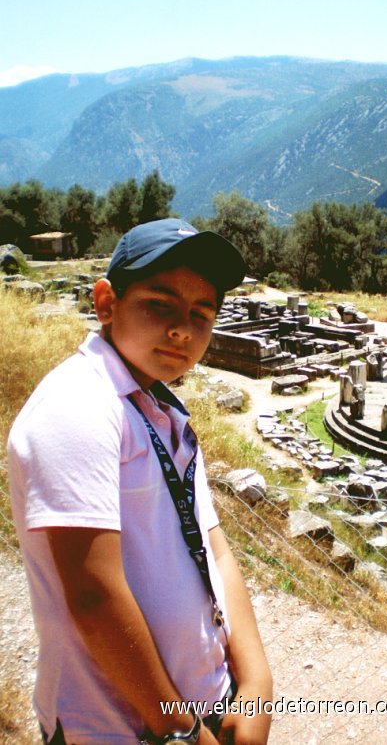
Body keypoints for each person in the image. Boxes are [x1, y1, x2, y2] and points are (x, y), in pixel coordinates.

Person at [8, 218, 273, 745]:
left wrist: (256, 683)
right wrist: (178, 729)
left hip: (205, 705)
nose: (182, 329)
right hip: (122, 728)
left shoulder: (158, 404)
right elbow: (93, 593)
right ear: (106, 303)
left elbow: (213, 547)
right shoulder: (77, 406)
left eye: (202, 313)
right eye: (160, 304)